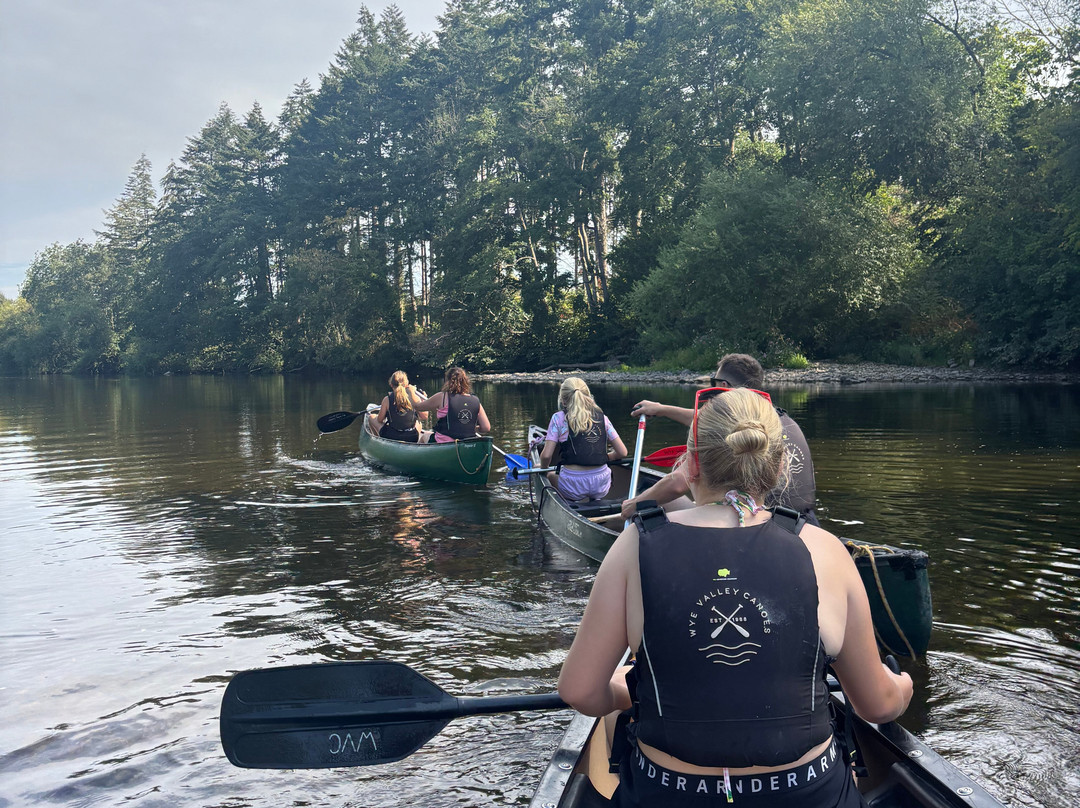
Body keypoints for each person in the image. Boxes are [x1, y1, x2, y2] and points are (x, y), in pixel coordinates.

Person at [558, 388, 913, 808]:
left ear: (689, 464)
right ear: (781, 467)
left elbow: (580, 691)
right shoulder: (825, 549)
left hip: (669, 792)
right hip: (807, 792)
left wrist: (624, 691)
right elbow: (876, 705)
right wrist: (902, 685)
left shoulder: (635, 544)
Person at [621, 353, 818, 523]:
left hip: (758, 525)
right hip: (803, 522)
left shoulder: (731, 428)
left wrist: (633, 505)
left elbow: (679, 482)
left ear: (723, 386)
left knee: (664, 498)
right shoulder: (781, 421)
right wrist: (662, 410)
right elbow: (706, 421)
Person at [539, 377, 629, 501]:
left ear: (563, 401)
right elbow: (622, 452)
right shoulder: (603, 418)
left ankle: (568, 504)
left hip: (572, 486)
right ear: (588, 396)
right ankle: (595, 501)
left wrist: (543, 468)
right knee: (598, 477)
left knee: (549, 475)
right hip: (601, 484)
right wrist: (607, 457)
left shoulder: (558, 418)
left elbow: (546, 456)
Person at [409, 366, 491, 443]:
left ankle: (421, 457)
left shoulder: (442, 397)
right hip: (467, 443)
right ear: (466, 381)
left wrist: (411, 391)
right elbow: (486, 428)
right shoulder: (476, 400)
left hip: (444, 443)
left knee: (424, 436)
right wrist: (468, 428)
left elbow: (417, 407)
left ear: (447, 381)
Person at [370, 371, 426, 442]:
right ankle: (415, 445)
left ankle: (378, 441)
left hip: (391, 437)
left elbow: (379, 420)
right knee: (418, 424)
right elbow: (425, 416)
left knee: (371, 417)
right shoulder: (415, 398)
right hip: (411, 438)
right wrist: (422, 400)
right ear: (407, 384)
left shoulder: (387, 399)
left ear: (391, 384)